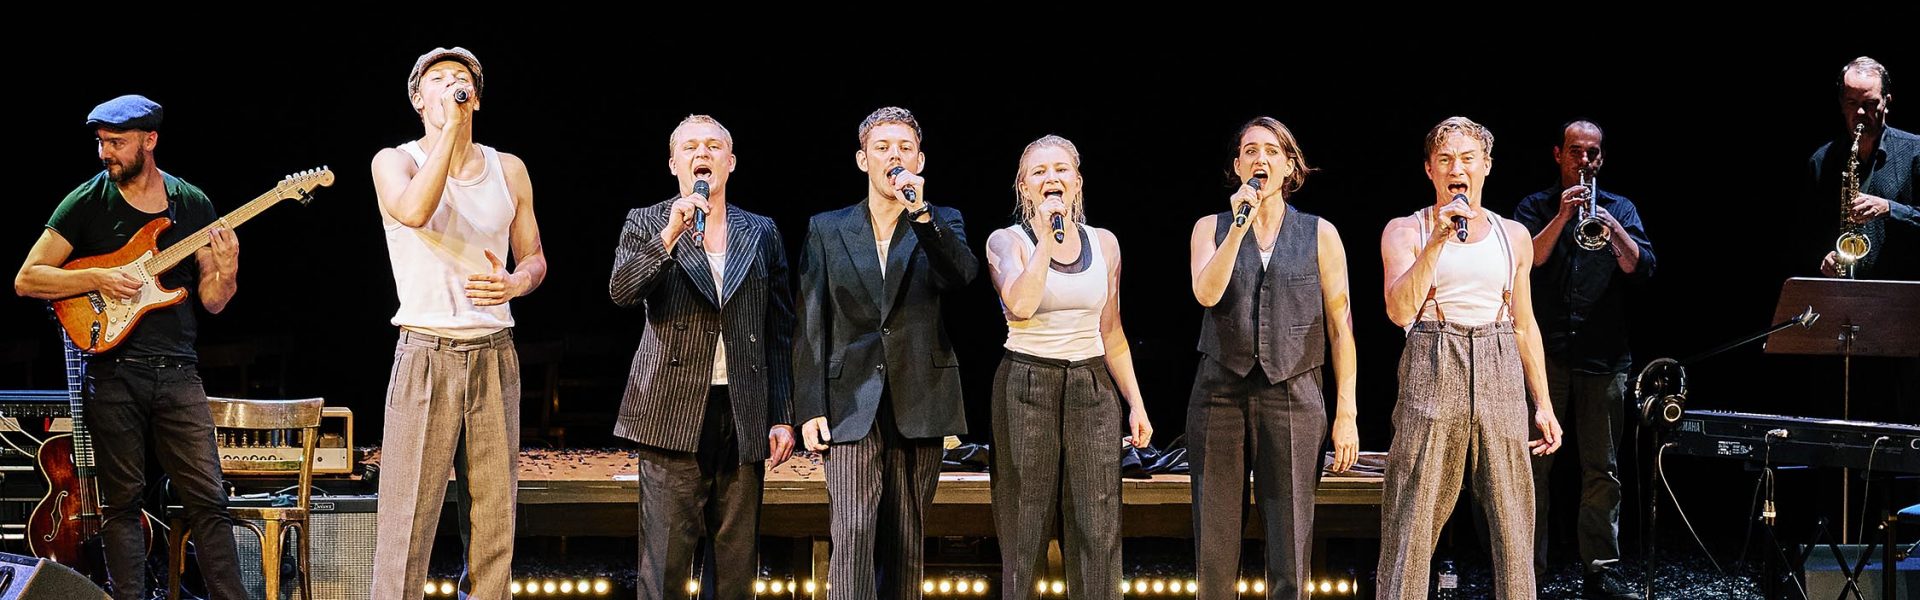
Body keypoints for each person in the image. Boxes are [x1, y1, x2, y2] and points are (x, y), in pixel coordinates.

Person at [13, 93, 246, 600]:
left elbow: (212, 301)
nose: (105, 153)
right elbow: (27, 279)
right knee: (121, 504)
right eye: (101, 142)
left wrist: (227, 271)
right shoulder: (87, 200)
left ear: (150, 140)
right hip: (112, 371)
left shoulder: (192, 203)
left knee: (208, 500)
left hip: (178, 371)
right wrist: (98, 277)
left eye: (116, 143)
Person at [369, 47, 547, 599]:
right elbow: (414, 211)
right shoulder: (394, 161)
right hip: (426, 351)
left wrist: (516, 283)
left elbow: (534, 256)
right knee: (407, 518)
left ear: (477, 98)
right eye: (438, 79)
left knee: (494, 517)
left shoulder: (509, 168)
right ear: (418, 99)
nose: (452, 84)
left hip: (494, 352)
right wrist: (449, 130)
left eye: (462, 78)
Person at [793, 106, 977, 599]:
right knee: (852, 530)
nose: (894, 156)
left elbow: (960, 275)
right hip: (849, 400)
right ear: (863, 160)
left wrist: (922, 215)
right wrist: (808, 406)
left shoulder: (941, 220)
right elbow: (810, 321)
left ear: (920, 160)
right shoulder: (827, 228)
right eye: (882, 147)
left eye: (904, 148)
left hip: (922, 395)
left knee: (906, 539)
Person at [1376, 116, 1562, 600]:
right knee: (1413, 515)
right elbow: (1399, 310)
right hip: (1434, 357)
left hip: (1499, 361)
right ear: (1430, 170)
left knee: (1513, 522)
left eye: (1466, 158)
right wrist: (1437, 239)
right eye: (1444, 160)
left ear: (1486, 166)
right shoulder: (1406, 229)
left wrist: (1542, 403)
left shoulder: (1513, 235)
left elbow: (1524, 324)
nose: (1456, 168)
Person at [610, 114, 795, 600]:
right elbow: (622, 291)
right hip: (670, 408)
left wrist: (781, 414)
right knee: (666, 566)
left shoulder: (761, 231)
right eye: (690, 147)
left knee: (736, 567)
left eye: (713, 146)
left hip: (742, 409)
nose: (702, 154)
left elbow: (779, 330)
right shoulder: (647, 221)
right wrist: (669, 235)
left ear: (730, 163)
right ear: (674, 164)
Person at [1185, 116, 1359, 600]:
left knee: (1291, 542)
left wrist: (1346, 410)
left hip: (1294, 392)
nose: (1260, 158)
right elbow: (1206, 293)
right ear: (1238, 166)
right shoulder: (1210, 227)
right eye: (1250, 151)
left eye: (1272, 151)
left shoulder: (1320, 233)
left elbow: (1341, 326)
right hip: (1219, 392)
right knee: (1215, 544)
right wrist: (1238, 228)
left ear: (1289, 166)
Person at [985, 134, 1152, 600]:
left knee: (1098, 523)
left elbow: (1112, 331)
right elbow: (1020, 305)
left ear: (1077, 182)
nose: (1051, 178)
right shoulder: (1007, 241)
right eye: (1038, 172)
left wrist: (1136, 403)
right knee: (1025, 524)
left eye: (1060, 169)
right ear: (1024, 187)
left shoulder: (1105, 243)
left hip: (1091, 384)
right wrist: (1045, 237)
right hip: (1027, 382)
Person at [1510, 119, 1654, 599]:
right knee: (1534, 468)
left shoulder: (1620, 208)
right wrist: (1562, 217)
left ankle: (1600, 570)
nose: (1584, 161)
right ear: (1559, 154)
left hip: (1603, 355)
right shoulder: (1533, 207)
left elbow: (1641, 267)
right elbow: (1523, 263)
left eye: (1593, 153)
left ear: (1602, 158)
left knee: (1602, 469)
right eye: (1576, 151)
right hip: (1544, 355)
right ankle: (1527, 570)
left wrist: (1611, 228)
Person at [1814, 56, 1919, 280]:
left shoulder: (1915, 152)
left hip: (1904, 289)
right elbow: (1806, 232)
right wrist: (1822, 256)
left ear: (1886, 102)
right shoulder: (1821, 160)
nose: (1860, 113)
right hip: (1843, 291)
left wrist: (1890, 208)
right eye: (1852, 103)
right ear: (1842, 104)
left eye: (1869, 104)